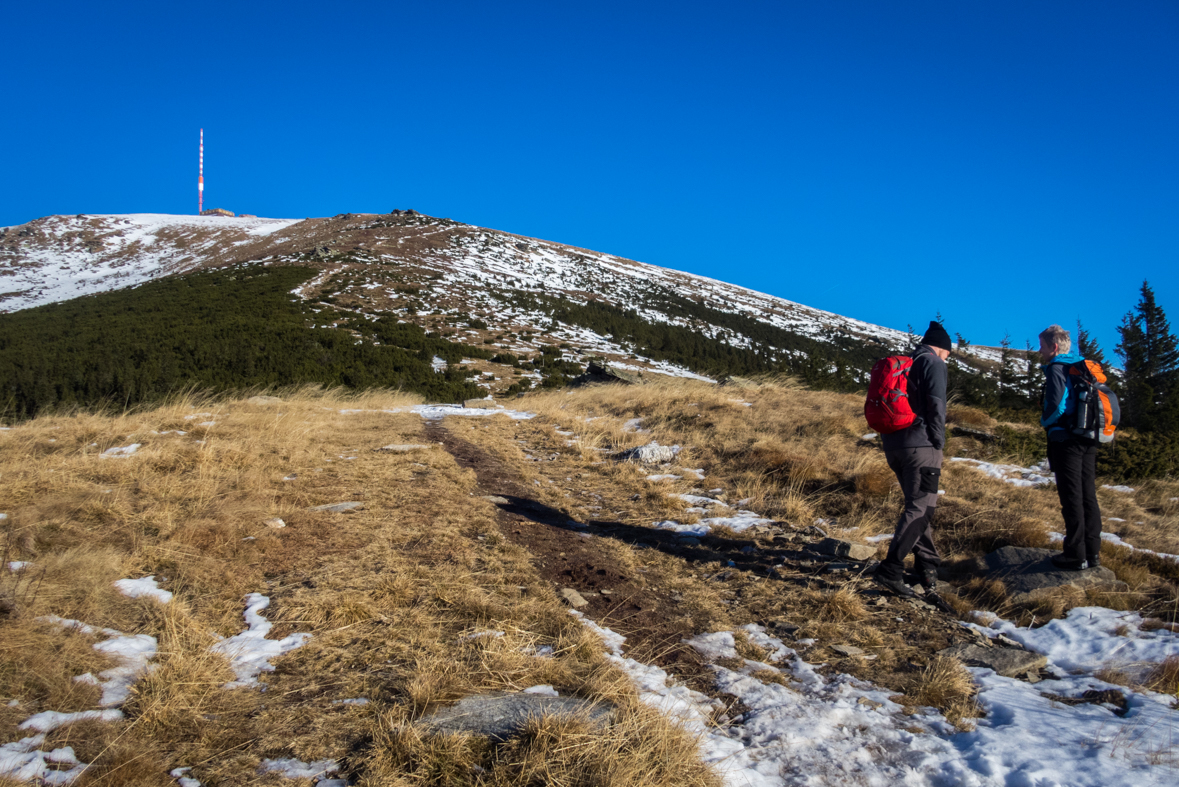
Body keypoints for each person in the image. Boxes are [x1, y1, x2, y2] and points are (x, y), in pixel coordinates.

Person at [874, 321, 952, 598]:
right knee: (921, 509)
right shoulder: (933, 362)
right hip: (922, 446)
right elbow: (936, 404)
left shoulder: (905, 363)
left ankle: (927, 566)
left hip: (894, 444)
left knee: (918, 507)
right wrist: (938, 442)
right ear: (943, 348)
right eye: (949, 354)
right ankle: (891, 569)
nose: (948, 359)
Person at [1039, 324, 1103, 570]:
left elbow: (1057, 406)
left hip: (1066, 439)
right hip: (1088, 437)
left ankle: (1075, 554)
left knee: (1071, 497)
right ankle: (1092, 553)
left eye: (1043, 346)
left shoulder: (1057, 367)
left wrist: (1045, 421)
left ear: (1053, 346)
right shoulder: (1083, 366)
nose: (1040, 350)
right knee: (1088, 495)